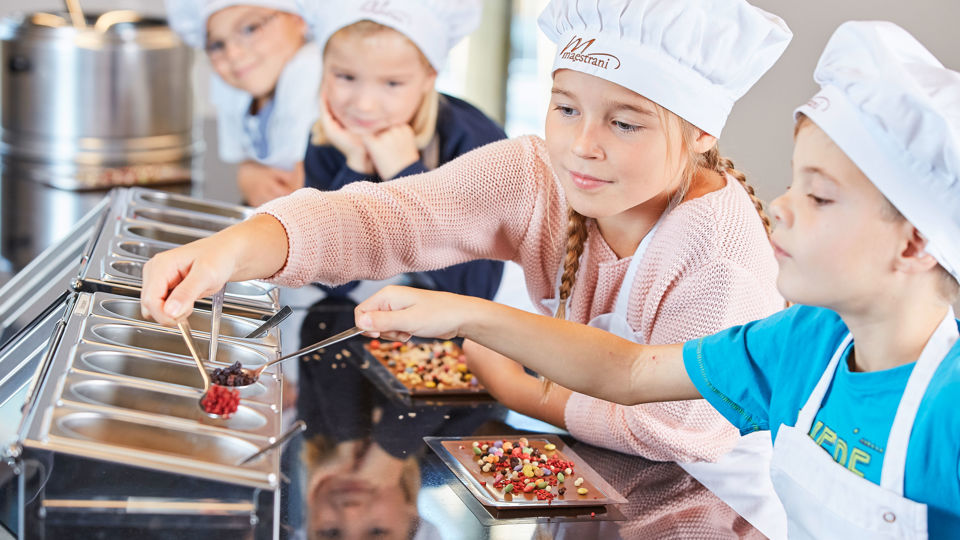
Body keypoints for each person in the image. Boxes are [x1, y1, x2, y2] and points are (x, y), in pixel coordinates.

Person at [140, 0, 790, 531]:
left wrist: (496, 361)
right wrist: (232, 249)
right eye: (566, 108)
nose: (582, 147)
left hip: (700, 507)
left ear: (700, 132)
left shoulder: (719, 261)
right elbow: (382, 217)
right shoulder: (536, 172)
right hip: (602, 484)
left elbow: (658, 430)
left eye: (624, 123)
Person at [352, 21, 960, 538]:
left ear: (914, 243)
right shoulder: (800, 342)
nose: (781, 206)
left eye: (820, 197)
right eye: (796, 183)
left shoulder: (948, 409)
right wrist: (465, 315)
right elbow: (632, 371)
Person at [300, 0, 506, 300]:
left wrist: (405, 172)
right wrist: (357, 166)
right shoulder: (331, 140)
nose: (364, 104)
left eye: (393, 83)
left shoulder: (476, 142)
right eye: (345, 77)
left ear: (429, 78)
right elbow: (329, 279)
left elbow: (474, 288)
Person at [166, 0, 320, 205]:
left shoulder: (312, 72)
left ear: (298, 20)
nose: (233, 54)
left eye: (250, 28)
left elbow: (302, 189)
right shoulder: (246, 95)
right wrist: (249, 172)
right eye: (217, 45)